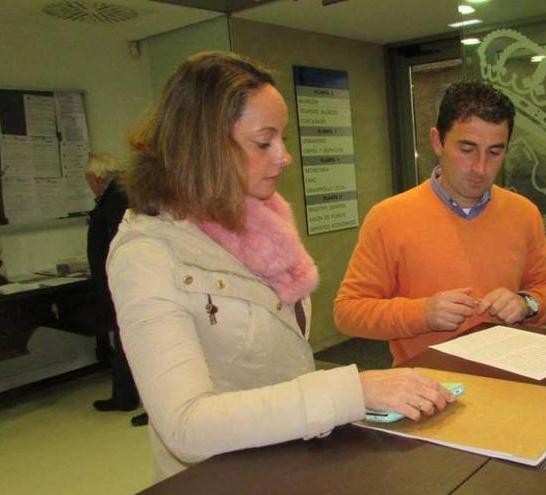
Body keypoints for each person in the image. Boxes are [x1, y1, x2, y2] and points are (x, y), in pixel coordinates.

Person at [107, 51, 454, 482]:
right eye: (264, 142)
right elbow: (185, 425)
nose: (284, 157)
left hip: (290, 459)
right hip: (220, 480)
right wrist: (351, 391)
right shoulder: (147, 254)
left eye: (283, 138)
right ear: (205, 146)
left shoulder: (259, 220)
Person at [334, 81, 546, 364]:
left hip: (511, 376)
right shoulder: (388, 217)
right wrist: (423, 314)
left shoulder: (523, 213)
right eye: (467, 149)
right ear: (437, 141)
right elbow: (348, 313)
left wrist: (527, 303)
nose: (480, 168)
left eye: (494, 152)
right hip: (426, 387)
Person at [85, 153, 148, 427]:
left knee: (137, 342)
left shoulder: (117, 200)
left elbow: (117, 244)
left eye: (90, 182)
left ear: (98, 178)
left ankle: (131, 398)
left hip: (128, 283)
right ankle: (124, 395)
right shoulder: (124, 195)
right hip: (127, 281)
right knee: (127, 341)